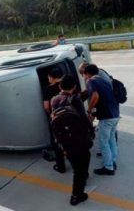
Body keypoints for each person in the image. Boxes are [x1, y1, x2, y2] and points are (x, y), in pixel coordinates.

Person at [51, 74, 93, 206]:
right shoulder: (75, 100)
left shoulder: (54, 100)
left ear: (59, 86)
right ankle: (76, 196)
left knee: (76, 164)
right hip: (79, 139)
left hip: (65, 141)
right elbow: (83, 119)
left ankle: (83, 178)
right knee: (81, 167)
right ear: (74, 87)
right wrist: (91, 131)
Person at [83, 64, 119, 175]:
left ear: (87, 74)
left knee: (103, 142)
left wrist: (89, 110)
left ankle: (108, 168)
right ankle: (112, 162)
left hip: (106, 117)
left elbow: (95, 96)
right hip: (115, 114)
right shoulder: (104, 80)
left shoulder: (91, 81)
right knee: (111, 140)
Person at [42, 68, 66, 173]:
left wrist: (50, 114)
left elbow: (46, 106)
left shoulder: (48, 89)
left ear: (51, 77)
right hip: (69, 116)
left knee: (57, 141)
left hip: (56, 118)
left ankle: (61, 166)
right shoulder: (67, 85)